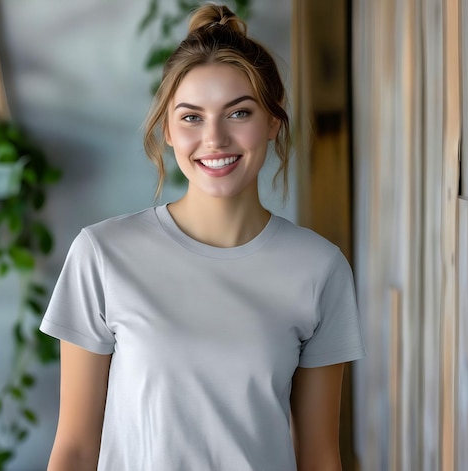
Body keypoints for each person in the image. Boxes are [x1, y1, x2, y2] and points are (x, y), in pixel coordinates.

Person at [40, 4, 365, 470]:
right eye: (191, 117)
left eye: (239, 113)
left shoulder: (319, 268)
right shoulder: (103, 255)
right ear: (168, 130)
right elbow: (73, 449)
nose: (214, 138)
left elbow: (319, 456)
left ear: (273, 122)